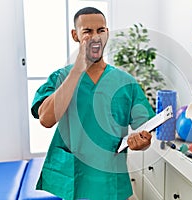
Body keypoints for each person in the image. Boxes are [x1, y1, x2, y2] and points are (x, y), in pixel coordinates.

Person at [31, 7, 155, 200]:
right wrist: (77, 71)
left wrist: (143, 142)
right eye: (87, 31)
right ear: (75, 35)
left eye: (101, 30)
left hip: (109, 180)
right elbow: (46, 120)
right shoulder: (60, 77)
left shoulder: (125, 82)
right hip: (75, 180)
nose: (95, 37)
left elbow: (144, 131)